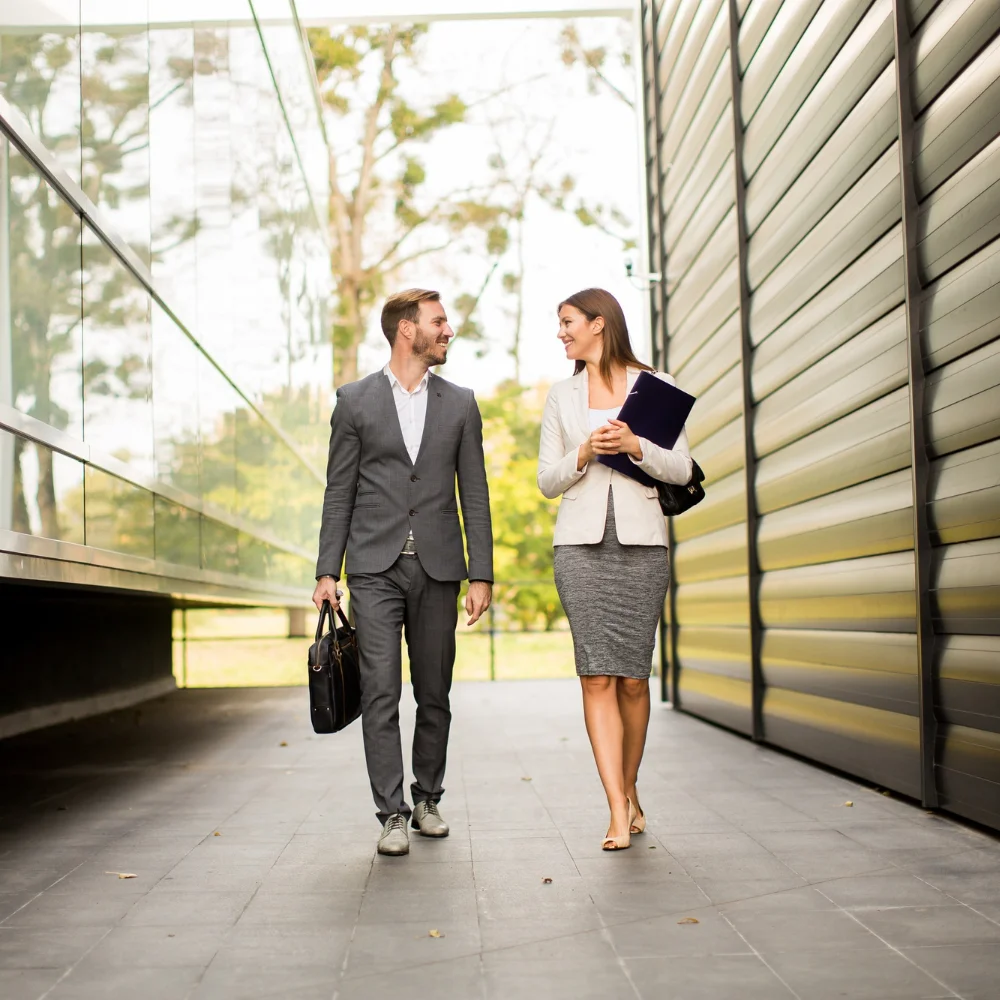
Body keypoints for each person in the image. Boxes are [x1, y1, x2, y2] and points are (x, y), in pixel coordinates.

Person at [313, 288, 493, 857]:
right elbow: (338, 492)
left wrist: (481, 574)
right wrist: (326, 571)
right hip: (373, 568)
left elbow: (476, 495)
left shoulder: (461, 403)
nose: (448, 331)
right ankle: (391, 814)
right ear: (406, 330)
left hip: (439, 567)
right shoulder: (355, 401)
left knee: (434, 692)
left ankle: (427, 798)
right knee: (381, 691)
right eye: (439, 322)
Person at [537, 288, 692, 851]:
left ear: (598, 325)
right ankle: (615, 807)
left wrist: (635, 445)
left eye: (567, 322)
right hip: (579, 548)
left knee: (631, 678)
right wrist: (582, 454)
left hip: (643, 547)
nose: (561, 333)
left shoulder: (659, 386)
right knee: (596, 674)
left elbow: (683, 467)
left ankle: (630, 789)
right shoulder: (562, 395)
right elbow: (547, 479)